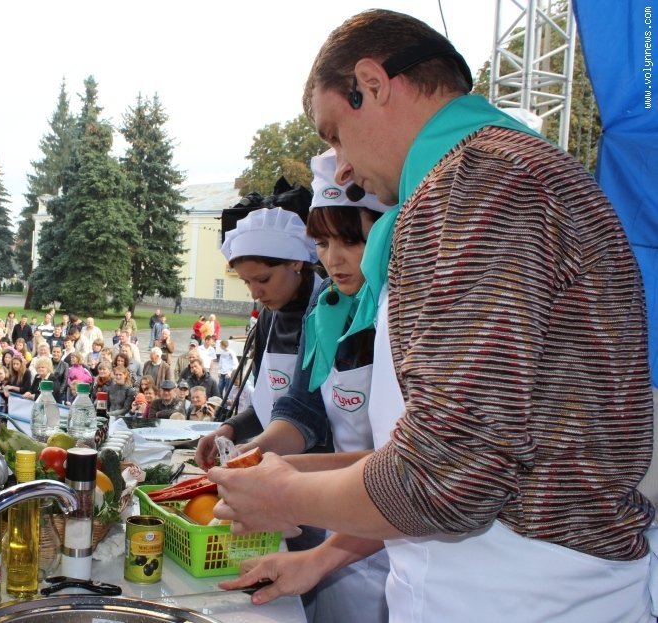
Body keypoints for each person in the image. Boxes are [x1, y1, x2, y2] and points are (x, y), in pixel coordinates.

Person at [210, 10, 655, 622]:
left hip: (522, 598)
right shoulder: (504, 174)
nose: (341, 168)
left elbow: (450, 479)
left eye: (335, 134)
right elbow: (459, 452)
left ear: (372, 83)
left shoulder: (479, 181)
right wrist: (317, 539)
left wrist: (287, 494)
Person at [216, 149, 392, 623]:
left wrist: (284, 477)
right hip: (344, 516)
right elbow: (304, 408)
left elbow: (412, 467)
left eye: (350, 242)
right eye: (322, 243)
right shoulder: (327, 308)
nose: (333, 260)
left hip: (394, 526)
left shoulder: (401, 315)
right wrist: (254, 454)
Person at [195, 206, 320, 466]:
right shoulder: (268, 318)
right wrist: (230, 429)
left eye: (263, 279)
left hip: (333, 468)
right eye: (246, 282)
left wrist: (259, 447)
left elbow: (311, 411)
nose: (254, 293)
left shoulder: (329, 312)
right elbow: (269, 404)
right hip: (277, 463)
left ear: (296, 262)